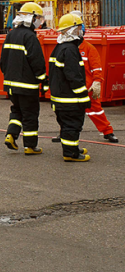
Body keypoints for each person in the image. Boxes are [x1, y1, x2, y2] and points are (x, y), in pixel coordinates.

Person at [54, 11, 117, 143]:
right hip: (70, 89)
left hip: (87, 89)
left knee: (96, 111)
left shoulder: (88, 48)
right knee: (67, 114)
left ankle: (107, 131)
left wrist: (97, 82)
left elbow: (97, 68)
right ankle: (64, 133)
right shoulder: (65, 48)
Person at [0, 2, 47, 154]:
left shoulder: (11, 34)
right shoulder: (30, 37)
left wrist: (8, 76)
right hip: (27, 85)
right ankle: (30, 146)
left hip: (11, 85)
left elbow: (2, 62)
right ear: (32, 18)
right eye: (38, 18)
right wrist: (43, 80)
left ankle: (11, 135)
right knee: (30, 114)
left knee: (17, 111)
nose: (40, 21)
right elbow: (37, 61)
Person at [49, 13, 92, 162]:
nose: (81, 30)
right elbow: (74, 76)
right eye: (79, 27)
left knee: (67, 125)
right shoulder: (70, 50)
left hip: (60, 98)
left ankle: (73, 148)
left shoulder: (59, 48)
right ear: (73, 30)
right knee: (72, 125)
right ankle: (70, 153)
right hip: (69, 99)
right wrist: (84, 96)